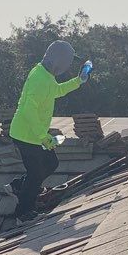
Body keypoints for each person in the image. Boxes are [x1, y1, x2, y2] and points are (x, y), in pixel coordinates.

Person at [8, 40, 92, 221]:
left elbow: (57, 91)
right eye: (68, 62)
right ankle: (23, 212)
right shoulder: (39, 79)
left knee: (51, 163)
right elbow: (28, 111)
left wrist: (78, 81)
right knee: (36, 173)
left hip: (33, 135)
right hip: (26, 135)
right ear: (59, 61)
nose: (69, 65)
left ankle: (18, 186)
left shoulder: (45, 76)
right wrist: (42, 136)